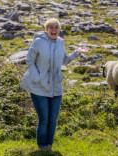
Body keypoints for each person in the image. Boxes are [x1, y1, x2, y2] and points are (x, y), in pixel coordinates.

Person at [20, 18, 90, 151]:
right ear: (46, 30)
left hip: (56, 87)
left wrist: (76, 53)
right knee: (44, 119)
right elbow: (29, 60)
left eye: (56, 27)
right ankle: (42, 147)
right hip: (38, 86)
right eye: (51, 27)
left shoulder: (61, 42)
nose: (53, 29)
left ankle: (49, 147)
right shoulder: (38, 42)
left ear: (59, 29)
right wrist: (37, 78)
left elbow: (64, 60)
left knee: (53, 120)